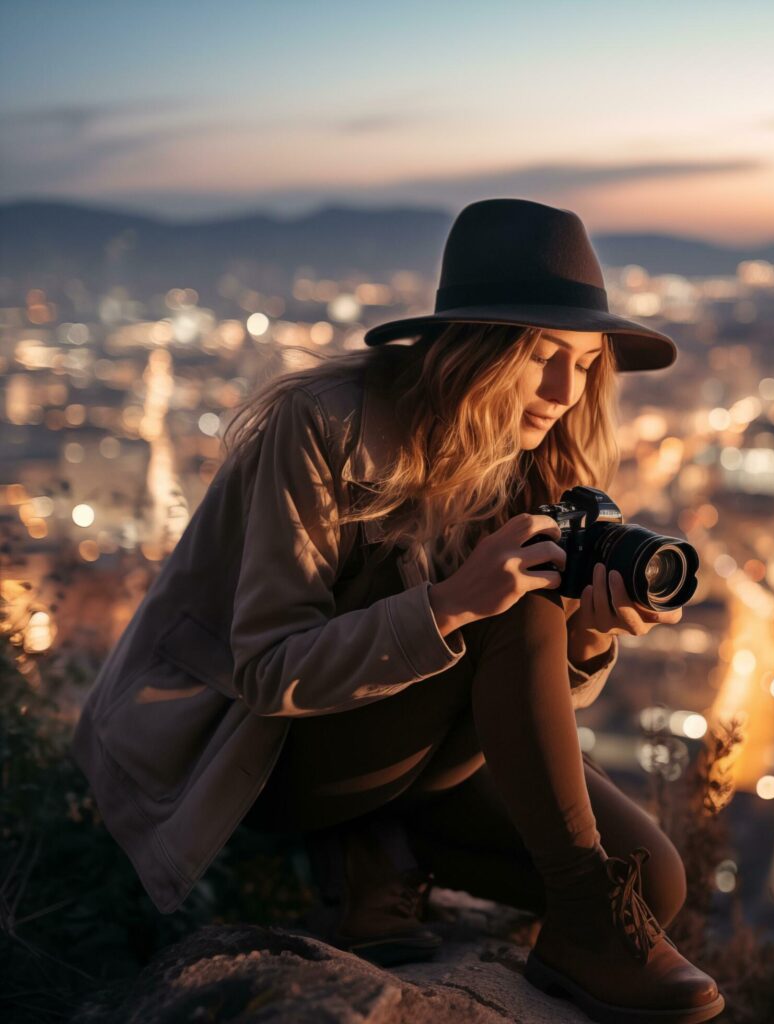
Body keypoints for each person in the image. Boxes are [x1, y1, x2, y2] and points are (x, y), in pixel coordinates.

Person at [72, 198, 725, 1023]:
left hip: (408, 755)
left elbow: (523, 693)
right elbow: (269, 671)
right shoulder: (322, 426)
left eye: (588, 362)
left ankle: (382, 853)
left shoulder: (542, 459)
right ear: (476, 346)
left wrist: (591, 631)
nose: (567, 389)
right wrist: (453, 604)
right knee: (517, 598)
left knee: (657, 880)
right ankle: (580, 926)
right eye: (542, 355)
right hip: (268, 752)